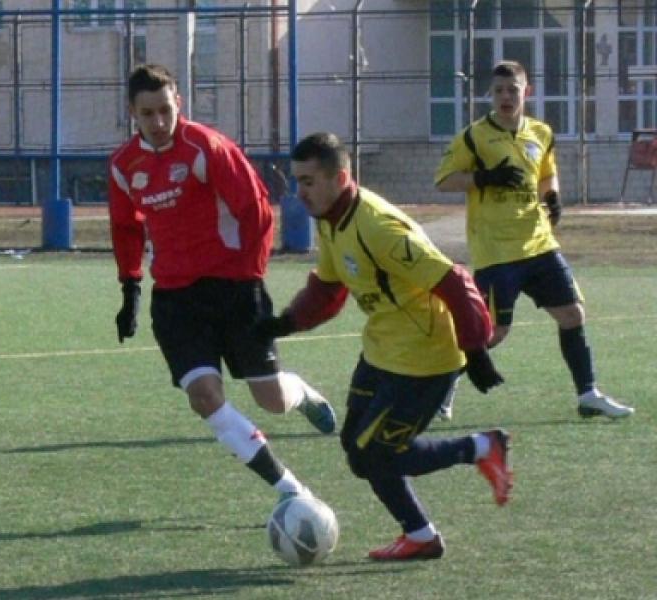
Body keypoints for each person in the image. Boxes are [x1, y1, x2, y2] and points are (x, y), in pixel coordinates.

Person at [260, 132, 512, 561]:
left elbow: (455, 281)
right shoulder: (331, 218)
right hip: (382, 349)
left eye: (308, 181)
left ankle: (482, 448)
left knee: (375, 454)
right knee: (357, 451)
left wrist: (476, 351)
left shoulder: (378, 227)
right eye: (297, 180)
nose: (299, 192)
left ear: (340, 178)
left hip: (426, 357)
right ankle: (421, 535)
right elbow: (328, 289)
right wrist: (283, 323)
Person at [109, 64, 336, 506]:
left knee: (271, 398)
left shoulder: (207, 147)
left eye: (165, 110)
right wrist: (130, 288)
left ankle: (302, 393)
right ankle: (290, 490)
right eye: (147, 113)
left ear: (179, 104)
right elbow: (126, 227)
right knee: (203, 396)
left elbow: (256, 211)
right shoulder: (124, 165)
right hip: (175, 300)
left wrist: (251, 274)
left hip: (234, 288)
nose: (158, 122)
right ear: (132, 113)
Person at [434, 60, 633, 420]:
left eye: (512, 90)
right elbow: (444, 180)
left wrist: (552, 197)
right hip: (497, 251)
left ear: (527, 92)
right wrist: (485, 177)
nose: (505, 97)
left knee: (572, 314)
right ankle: (441, 389)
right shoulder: (474, 136)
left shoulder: (541, 132)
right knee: (493, 332)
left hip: (540, 244)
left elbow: (546, 175)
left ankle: (588, 394)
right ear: (490, 95)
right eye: (498, 91)